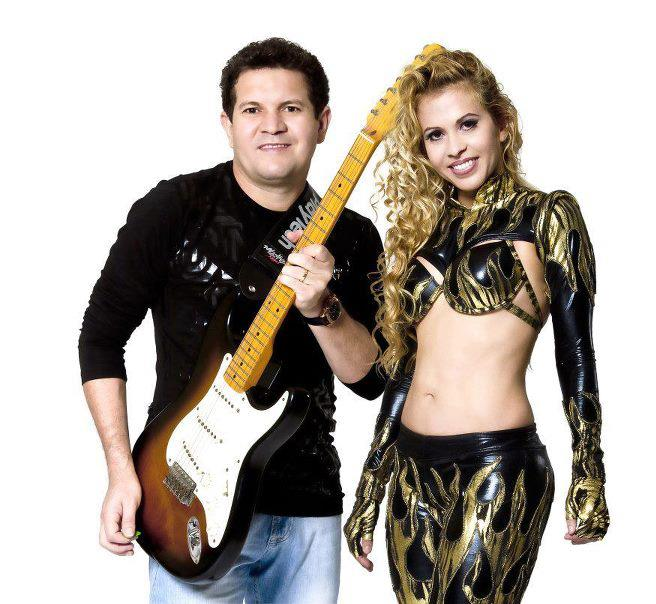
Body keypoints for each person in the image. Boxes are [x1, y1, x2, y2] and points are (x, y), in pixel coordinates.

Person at [79, 37, 386, 604]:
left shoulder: (354, 237)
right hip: (183, 499)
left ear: (322, 123)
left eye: (291, 108)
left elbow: (371, 379)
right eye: (252, 109)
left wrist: (322, 308)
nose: (272, 125)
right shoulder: (174, 208)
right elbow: (100, 338)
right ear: (227, 123)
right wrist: (121, 470)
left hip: (307, 510)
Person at [344, 48, 609, 603]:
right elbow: (408, 368)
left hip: (498, 464)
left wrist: (589, 469)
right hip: (411, 469)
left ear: (501, 123)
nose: (455, 147)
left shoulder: (546, 215)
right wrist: (371, 484)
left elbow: (575, 350)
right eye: (435, 135)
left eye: (468, 124)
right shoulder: (424, 229)